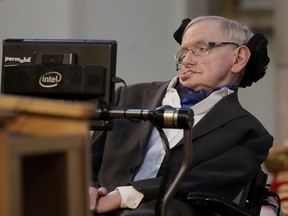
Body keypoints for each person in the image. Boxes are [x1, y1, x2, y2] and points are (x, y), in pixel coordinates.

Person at [89, 15, 273, 215]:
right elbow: (86, 161)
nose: (187, 60)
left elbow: (200, 184)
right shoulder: (128, 97)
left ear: (238, 58)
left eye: (201, 49)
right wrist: (87, 189)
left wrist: (121, 196)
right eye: (183, 52)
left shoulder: (250, 134)